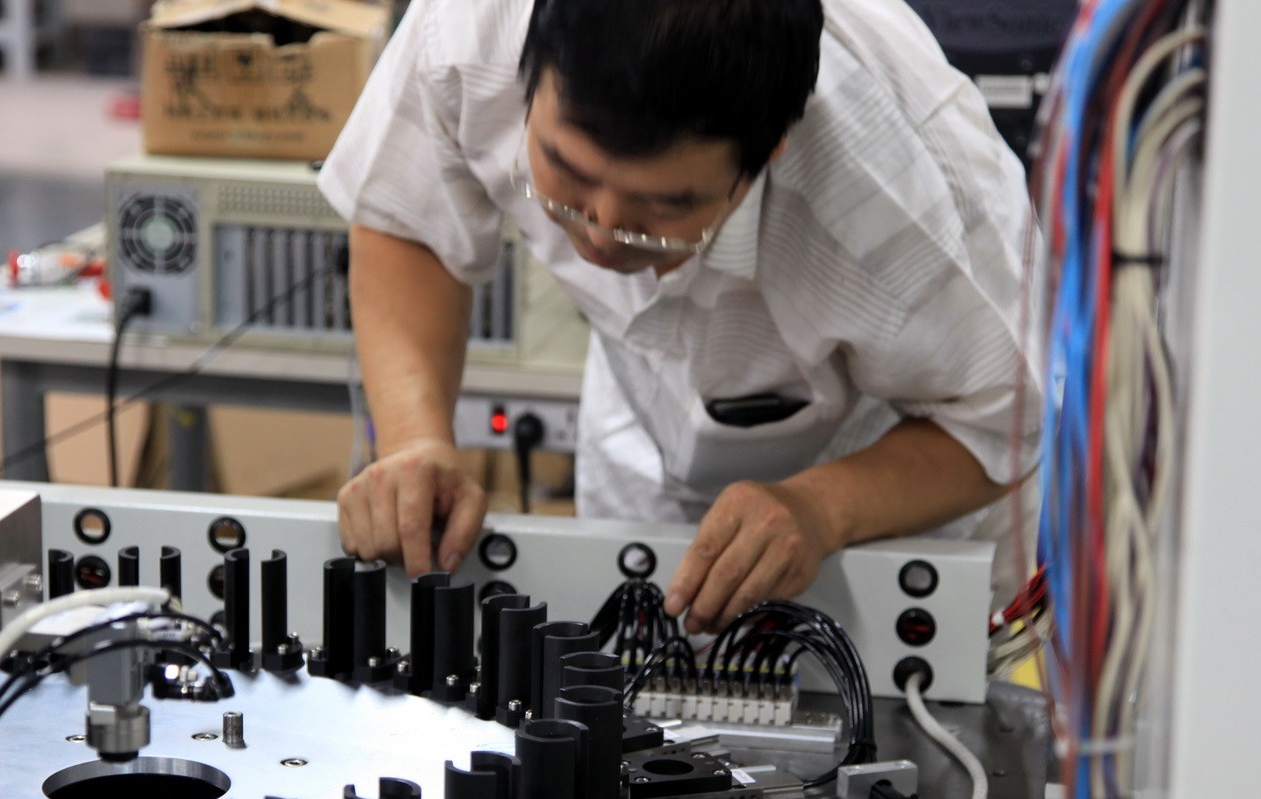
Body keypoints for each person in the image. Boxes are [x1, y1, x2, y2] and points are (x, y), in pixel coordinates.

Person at [320, 0, 1041, 633]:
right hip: (642, 426)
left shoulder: (905, 206)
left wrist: (823, 508)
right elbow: (408, 219)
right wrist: (415, 440)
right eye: (566, 173)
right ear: (528, 76)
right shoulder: (468, 31)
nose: (602, 232)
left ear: (769, 152)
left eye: (661, 208)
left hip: (886, 480)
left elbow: (1000, 420)